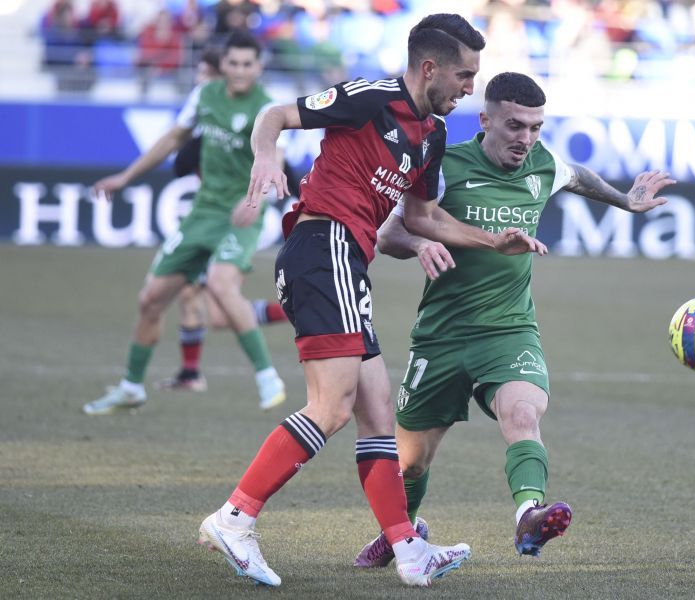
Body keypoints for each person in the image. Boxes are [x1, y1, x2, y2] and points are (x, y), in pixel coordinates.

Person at [197, 14, 546, 588]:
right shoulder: (372, 97)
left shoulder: (431, 136)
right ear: (429, 67)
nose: (468, 87)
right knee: (331, 407)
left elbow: (421, 218)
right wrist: (266, 156)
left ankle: (408, 550)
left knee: (378, 412)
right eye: (463, 76)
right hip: (322, 242)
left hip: (349, 261)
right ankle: (235, 517)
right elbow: (276, 116)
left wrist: (493, 240)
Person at [353, 72, 674, 566]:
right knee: (412, 461)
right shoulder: (443, 166)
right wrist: (421, 243)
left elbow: (577, 175)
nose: (525, 139)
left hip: (509, 331)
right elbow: (390, 234)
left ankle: (529, 514)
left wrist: (624, 201)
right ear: (485, 121)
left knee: (523, 416)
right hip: (440, 337)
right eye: (514, 126)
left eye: (535, 128)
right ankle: (399, 535)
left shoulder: (542, 165)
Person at [82, 31, 287, 415]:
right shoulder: (204, 97)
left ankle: (267, 377)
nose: (240, 71)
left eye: (248, 64)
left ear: (258, 67)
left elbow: (274, 161)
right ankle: (131, 387)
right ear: (223, 64)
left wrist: (255, 202)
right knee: (150, 300)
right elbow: (173, 139)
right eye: (234, 63)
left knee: (224, 286)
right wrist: (125, 178)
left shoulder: (269, 109)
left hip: (240, 214)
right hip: (202, 213)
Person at [156, 47, 290, 393]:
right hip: (211, 214)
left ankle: (197, 372)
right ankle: (191, 372)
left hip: (237, 217)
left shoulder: (255, 118)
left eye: (205, 73)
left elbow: (282, 163)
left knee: (209, 302)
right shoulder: (206, 120)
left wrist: (259, 195)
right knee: (214, 313)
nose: (200, 80)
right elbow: (181, 163)